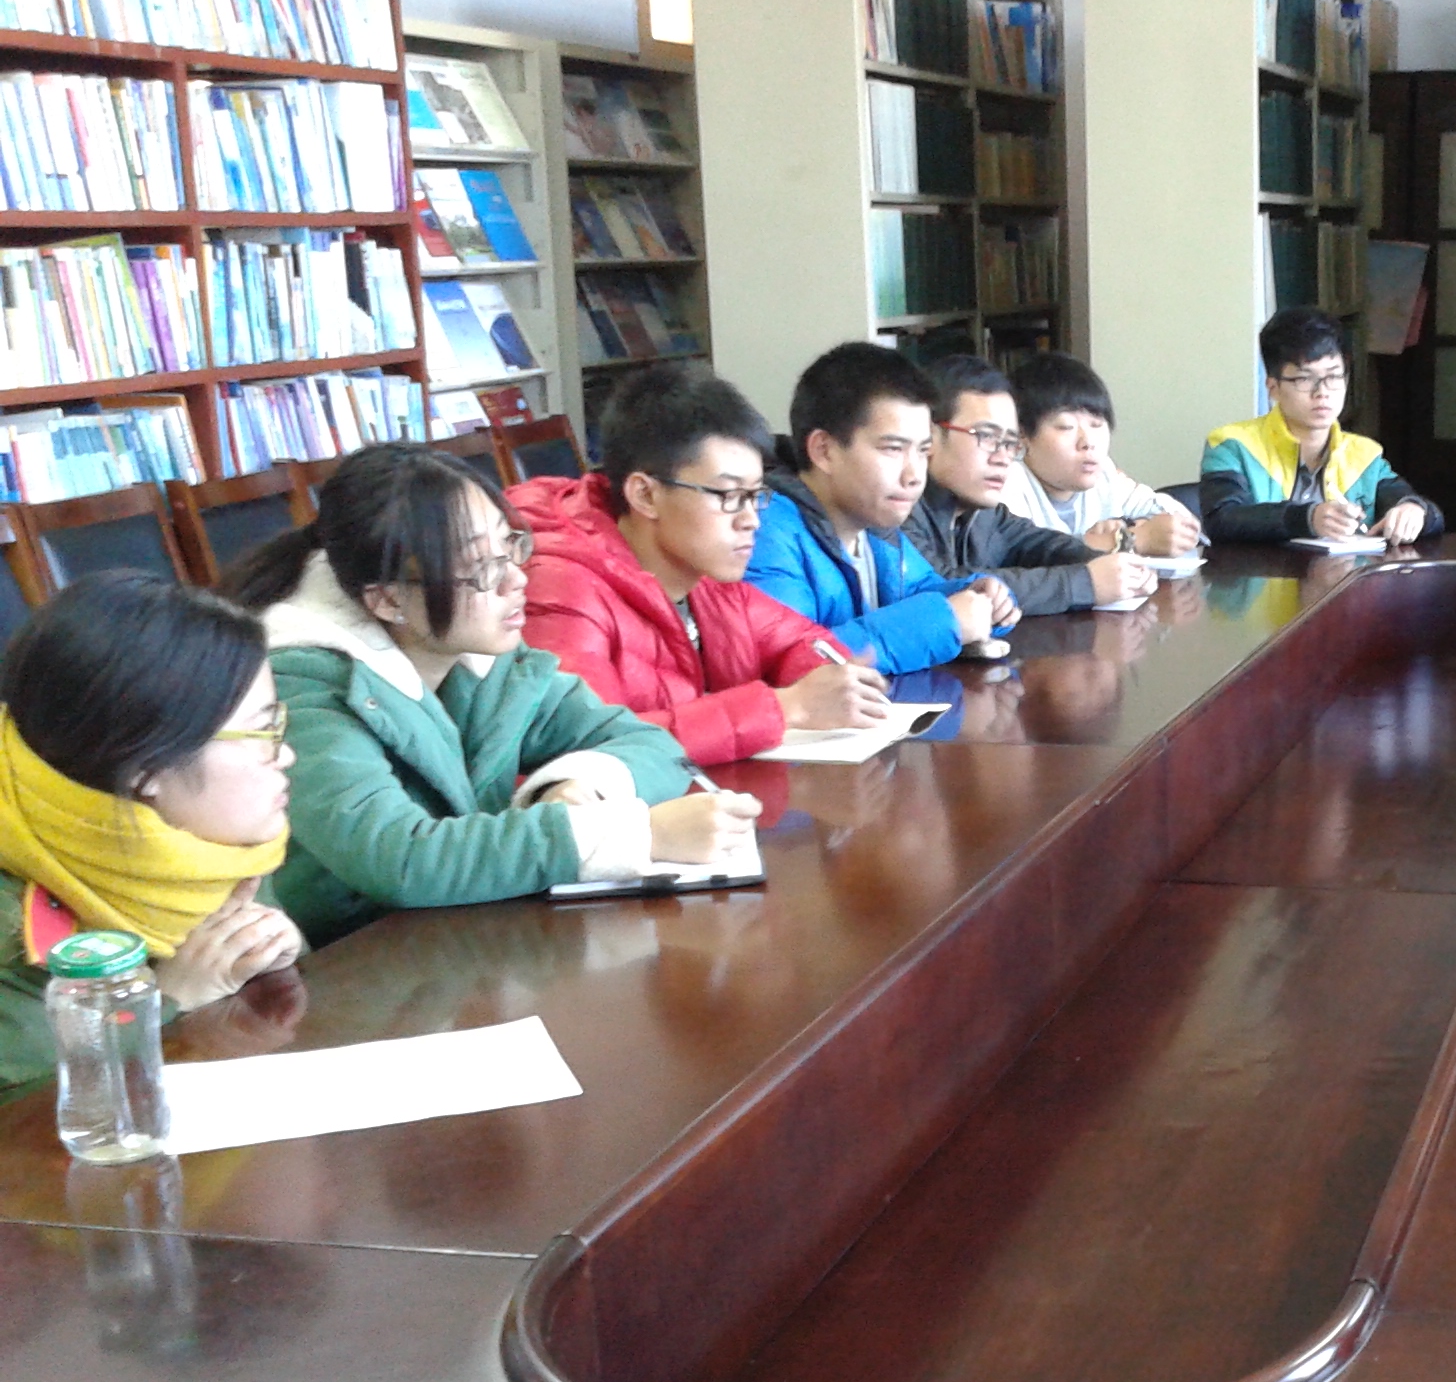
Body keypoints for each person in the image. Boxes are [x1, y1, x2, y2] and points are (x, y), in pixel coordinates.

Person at [232, 444, 749, 947]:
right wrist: (634, 836)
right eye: (481, 568)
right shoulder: (303, 685)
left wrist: (575, 788)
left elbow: (650, 743)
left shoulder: (483, 654)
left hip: (459, 941)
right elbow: (400, 860)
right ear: (388, 598)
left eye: (511, 546)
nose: (516, 579)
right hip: (343, 966)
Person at [0, 573, 302, 1089]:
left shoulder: (202, 847)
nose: (287, 754)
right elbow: (25, 1106)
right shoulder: (11, 926)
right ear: (147, 770)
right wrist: (168, 1002)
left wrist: (272, 953)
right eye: (261, 731)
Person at [511, 366, 891, 765]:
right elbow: (585, 748)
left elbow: (798, 641)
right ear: (645, 495)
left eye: (754, 496)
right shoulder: (563, 588)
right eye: (728, 495)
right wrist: (785, 707)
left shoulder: (702, 574)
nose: (751, 520)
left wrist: (830, 679)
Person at [748, 341, 1020, 673]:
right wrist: (946, 622)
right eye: (893, 449)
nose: (914, 475)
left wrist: (980, 595)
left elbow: (921, 591)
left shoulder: (874, 527)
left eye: (923, 451)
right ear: (824, 450)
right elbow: (791, 664)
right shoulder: (763, 532)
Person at [908, 356, 1157, 616]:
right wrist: (1086, 583)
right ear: (928, 435)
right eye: (986, 436)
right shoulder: (898, 509)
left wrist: (1113, 567)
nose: (1003, 457)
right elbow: (941, 588)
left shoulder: (981, 514)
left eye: (1009, 442)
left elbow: (1040, 545)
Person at [1200, 307, 1442, 546]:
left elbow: (1426, 512)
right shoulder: (1231, 445)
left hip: (1348, 572)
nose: (1322, 392)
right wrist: (1307, 519)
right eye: (1305, 379)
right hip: (1259, 572)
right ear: (1273, 388)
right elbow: (1222, 520)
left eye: (1334, 377)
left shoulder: (1363, 454)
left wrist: (1414, 510)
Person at [1002, 352, 1203, 558]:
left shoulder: (1104, 475)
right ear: (1022, 434)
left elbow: (1183, 521)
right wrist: (1128, 540)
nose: (1088, 442)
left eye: (1097, 425)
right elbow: (1017, 556)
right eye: (1066, 427)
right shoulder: (1008, 483)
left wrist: (1130, 525)